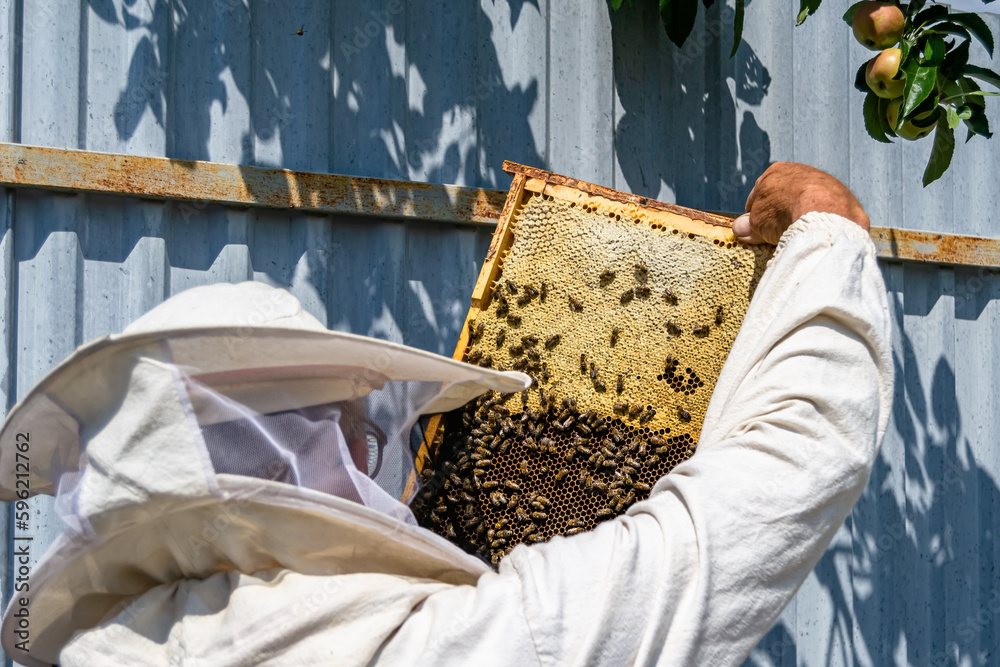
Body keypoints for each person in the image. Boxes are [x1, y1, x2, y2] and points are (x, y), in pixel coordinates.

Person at [0, 162, 891, 666]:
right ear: (267, 469)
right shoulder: (429, 648)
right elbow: (756, 503)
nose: (383, 449)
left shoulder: (106, 645)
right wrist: (830, 234)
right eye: (343, 425)